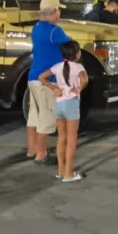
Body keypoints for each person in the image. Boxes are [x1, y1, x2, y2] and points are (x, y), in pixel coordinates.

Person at [26, 0, 72, 164]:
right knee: (46, 117)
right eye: (59, 10)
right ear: (52, 12)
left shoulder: (36, 28)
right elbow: (70, 45)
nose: (60, 13)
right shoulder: (55, 30)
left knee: (34, 115)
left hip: (33, 77)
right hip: (47, 80)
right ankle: (41, 153)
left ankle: (32, 149)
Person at [39, 41, 87, 183]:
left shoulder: (57, 67)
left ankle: (60, 170)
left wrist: (53, 88)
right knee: (71, 140)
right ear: (77, 54)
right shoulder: (78, 67)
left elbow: (42, 77)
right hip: (71, 104)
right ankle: (69, 173)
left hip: (59, 104)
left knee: (61, 138)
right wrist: (79, 88)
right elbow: (84, 80)